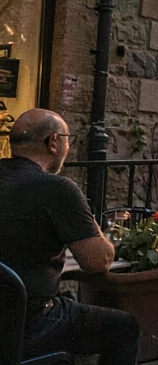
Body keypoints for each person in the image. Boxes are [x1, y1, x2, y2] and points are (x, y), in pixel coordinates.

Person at [0, 109, 141, 364]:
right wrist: (85, 218)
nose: (68, 146)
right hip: (26, 326)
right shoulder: (57, 189)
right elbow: (98, 261)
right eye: (67, 138)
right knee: (124, 327)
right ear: (53, 143)